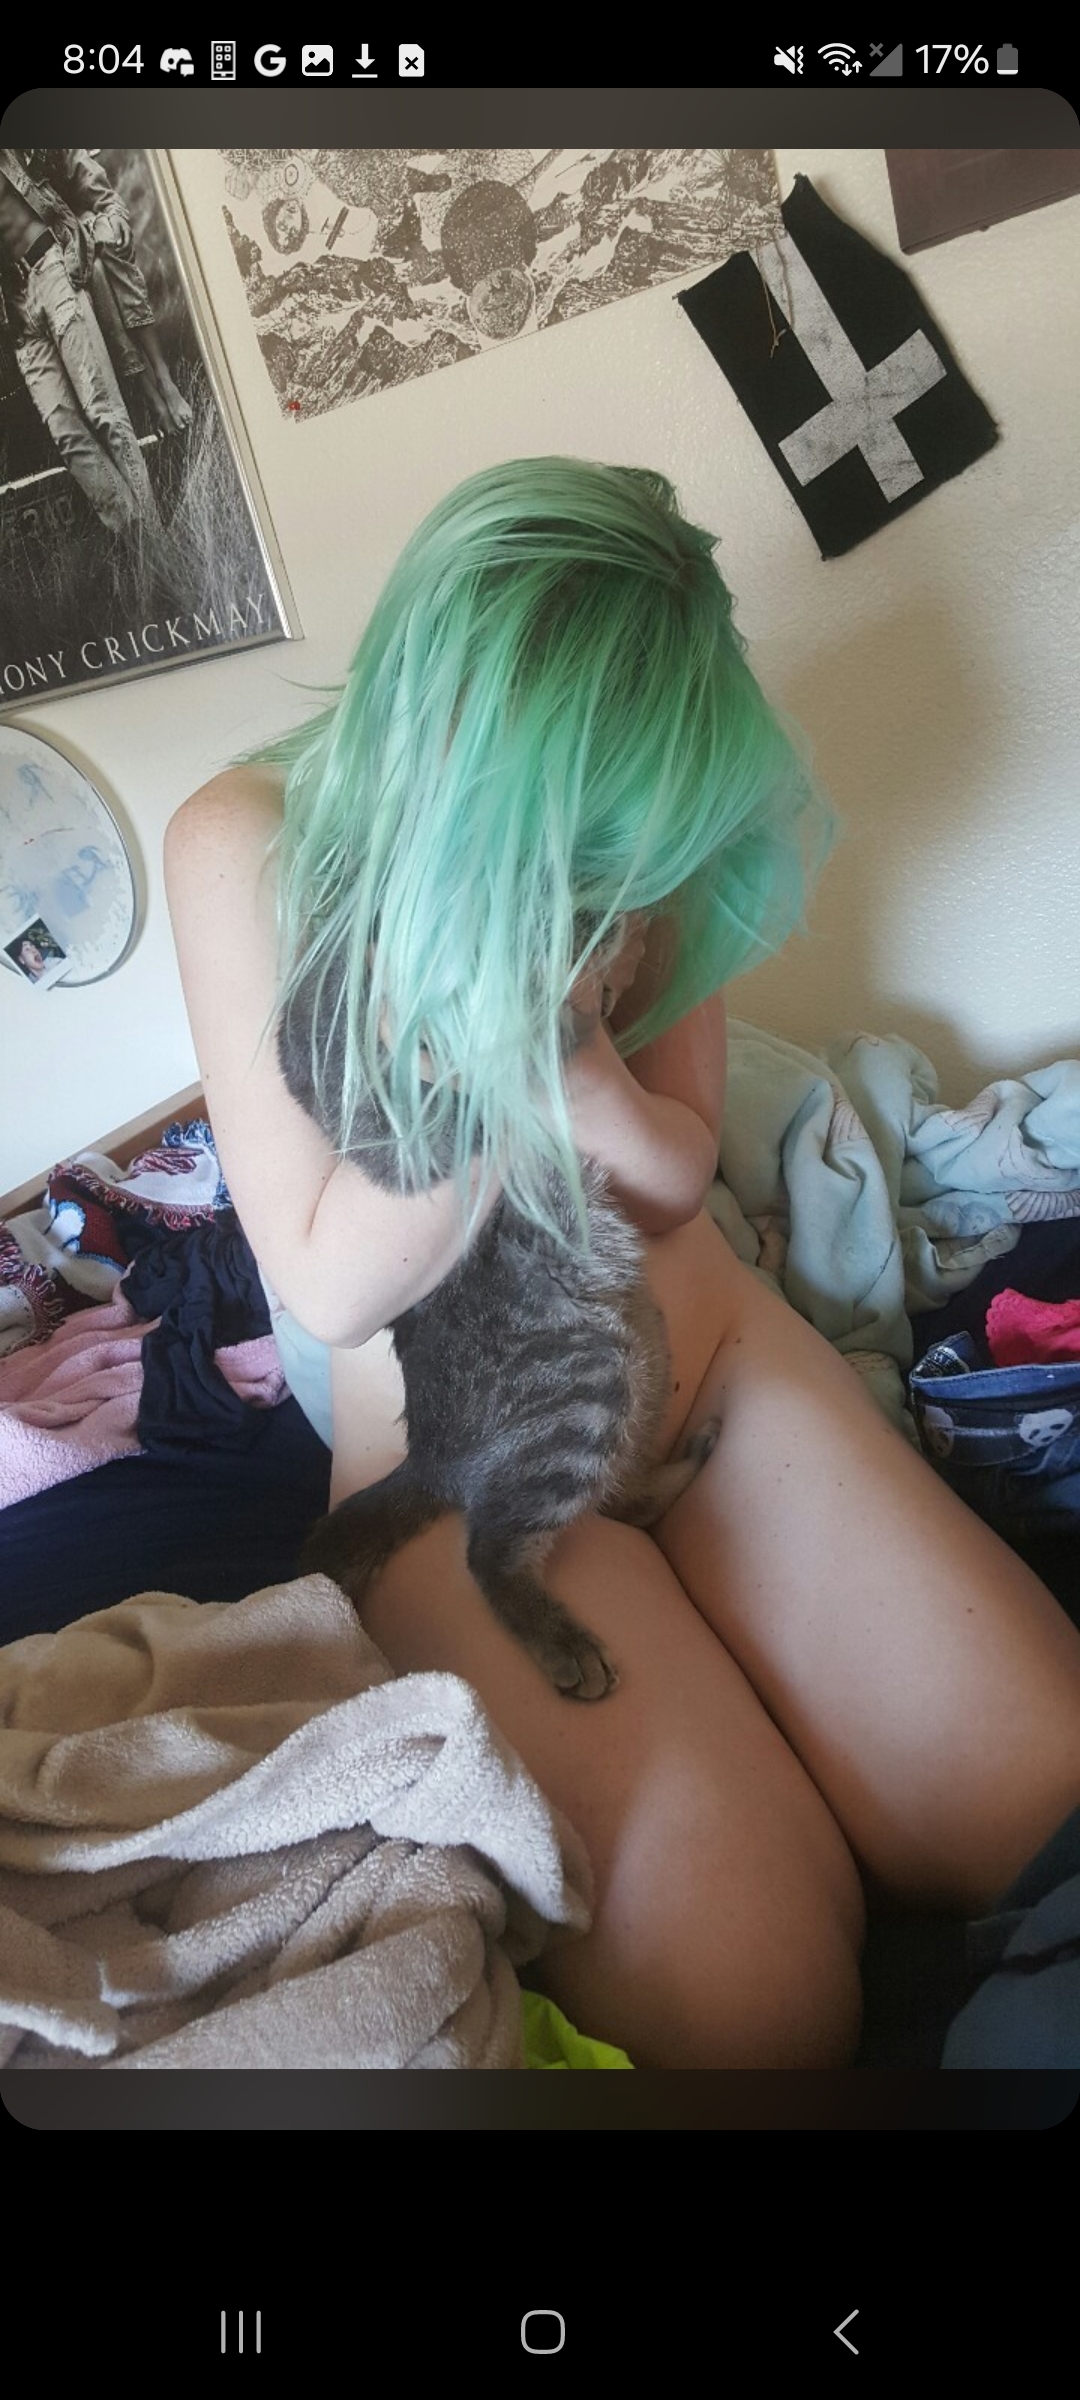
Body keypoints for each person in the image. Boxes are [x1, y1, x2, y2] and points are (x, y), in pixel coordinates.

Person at [165, 458, 1080, 2068]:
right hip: (460, 1470)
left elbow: (670, 1179)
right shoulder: (248, 841)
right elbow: (327, 1286)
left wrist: (584, 1057)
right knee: (756, 2005)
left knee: (1044, 1807)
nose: (617, 889)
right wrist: (490, 1041)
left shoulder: (659, 812)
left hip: (701, 1362)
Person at [0, 148, 162, 535]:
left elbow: (77, 165)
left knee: (102, 409)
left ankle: (155, 541)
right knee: (67, 434)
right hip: (16, 314)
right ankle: (138, 539)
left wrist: (111, 212)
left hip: (52, 270)